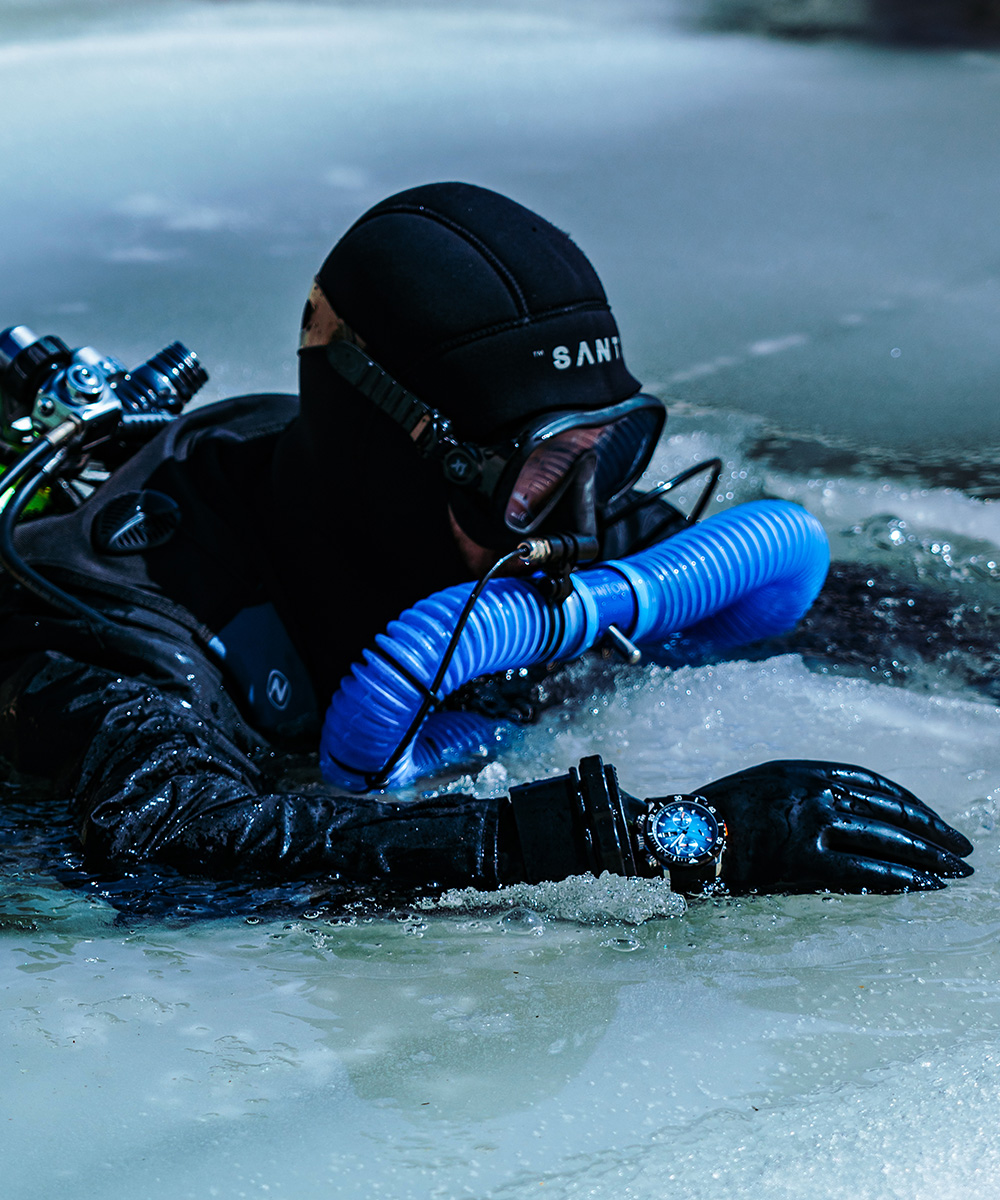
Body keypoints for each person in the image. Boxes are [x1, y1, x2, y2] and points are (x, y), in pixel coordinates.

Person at [0, 182, 973, 904]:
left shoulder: (528, 512)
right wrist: (662, 836)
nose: (584, 526)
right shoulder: (133, 628)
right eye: (543, 472)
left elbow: (847, 614)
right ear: (395, 461)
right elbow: (175, 848)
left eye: (611, 451)